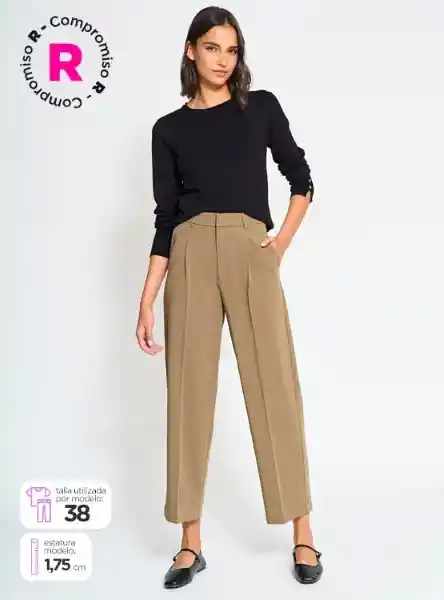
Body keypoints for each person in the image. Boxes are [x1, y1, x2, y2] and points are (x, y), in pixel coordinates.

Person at [136, 5, 323, 589]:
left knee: (275, 385)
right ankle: (189, 543)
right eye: (212, 47)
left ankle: (303, 532)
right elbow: (165, 218)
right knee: (188, 393)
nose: (223, 59)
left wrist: (279, 244)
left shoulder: (259, 107)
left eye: (232, 49)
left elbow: (301, 178)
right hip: (189, 253)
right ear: (191, 50)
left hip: (249, 248)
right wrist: (147, 296)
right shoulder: (168, 129)